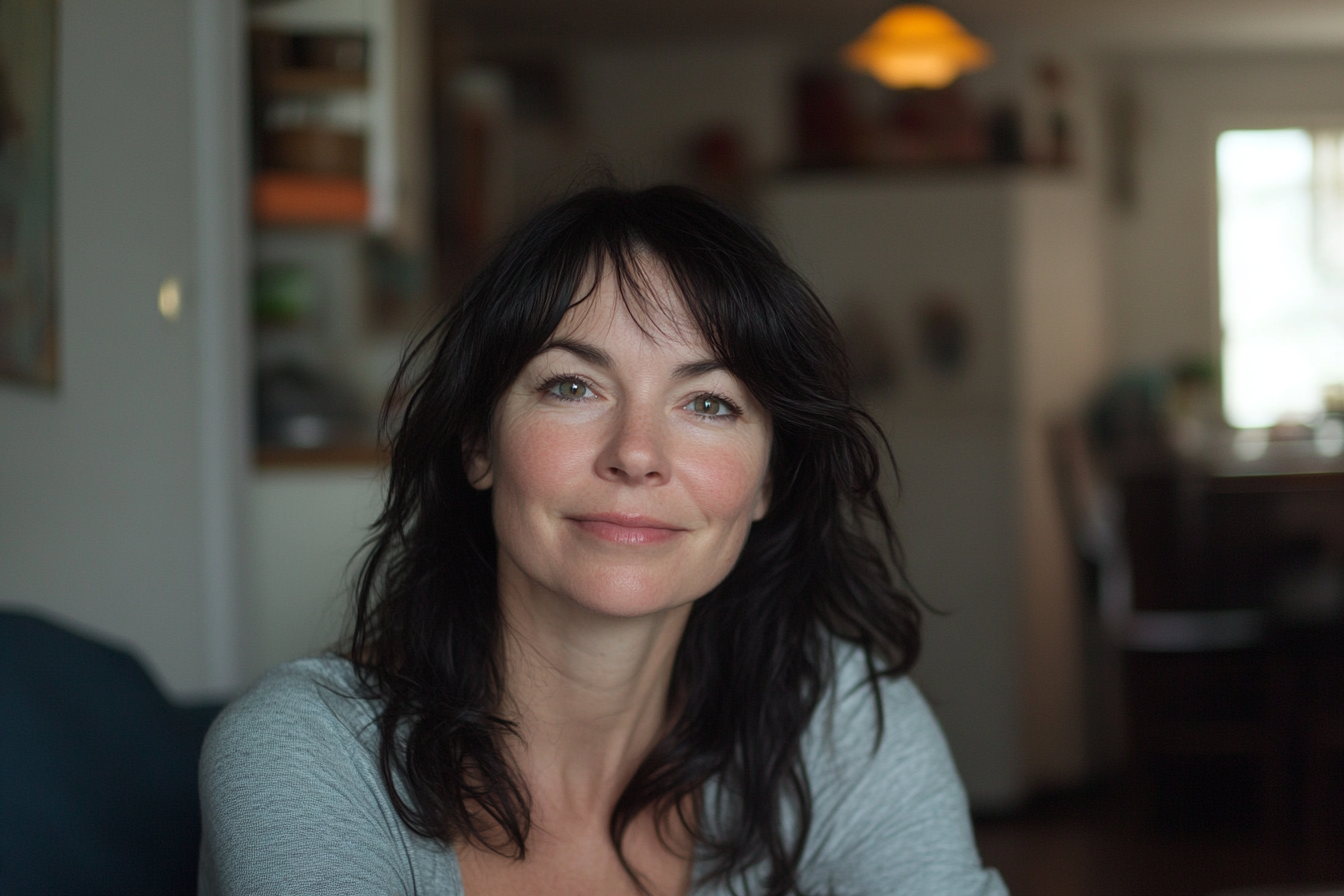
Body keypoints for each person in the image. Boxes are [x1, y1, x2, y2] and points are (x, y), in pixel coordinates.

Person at [199, 185, 1008, 896]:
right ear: (479, 443)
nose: (636, 453)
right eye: (573, 386)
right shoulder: (306, 755)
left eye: (710, 404)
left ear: (767, 481)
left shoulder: (836, 725)